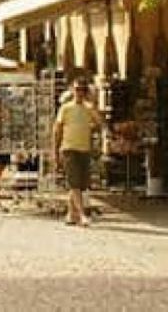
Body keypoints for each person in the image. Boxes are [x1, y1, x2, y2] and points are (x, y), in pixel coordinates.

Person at [53, 78, 104, 227]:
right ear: (72, 90)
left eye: (83, 90)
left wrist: (94, 106)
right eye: (77, 89)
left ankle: (70, 214)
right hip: (69, 148)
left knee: (79, 184)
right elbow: (57, 130)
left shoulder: (89, 108)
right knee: (74, 183)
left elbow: (100, 123)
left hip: (84, 149)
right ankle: (82, 215)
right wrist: (55, 151)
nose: (80, 93)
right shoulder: (65, 108)